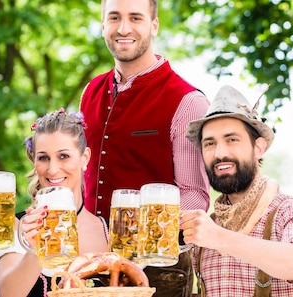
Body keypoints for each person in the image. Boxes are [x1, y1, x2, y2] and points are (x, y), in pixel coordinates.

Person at [79, 0, 210, 295]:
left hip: (159, 272)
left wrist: (138, 239)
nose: (123, 28)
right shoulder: (90, 92)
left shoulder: (188, 101)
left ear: (154, 25)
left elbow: (195, 197)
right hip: (91, 266)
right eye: (114, 17)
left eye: (135, 18)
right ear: (103, 26)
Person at [182, 85, 293, 296]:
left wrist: (218, 237)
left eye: (232, 140)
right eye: (210, 143)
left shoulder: (291, 211)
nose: (220, 153)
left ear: (258, 147)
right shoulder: (207, 228)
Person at [0, 109, 110, 297]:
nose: (52, 169)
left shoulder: (108, 231)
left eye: (63, 156)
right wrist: (36, 249)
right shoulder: (17, 225)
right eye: (43, 158)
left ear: (84, 158)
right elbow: (9, 294)